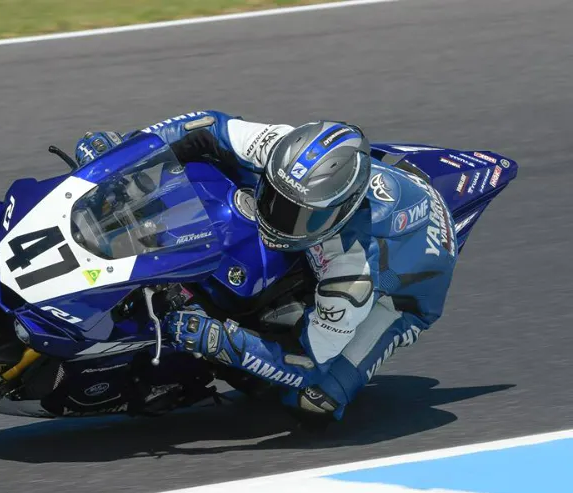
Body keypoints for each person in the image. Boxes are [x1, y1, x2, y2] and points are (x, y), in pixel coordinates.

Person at [73, 110, 457, 423]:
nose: (276, 217)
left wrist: (224, 342)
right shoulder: (276, 147)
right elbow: (206, 126)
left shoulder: (351, 269)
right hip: (357, 203)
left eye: (297, 216)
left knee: (314, 398)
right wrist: (124, 154)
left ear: (335, 217)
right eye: (273, 197)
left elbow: (310, 361)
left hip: (407, 281)